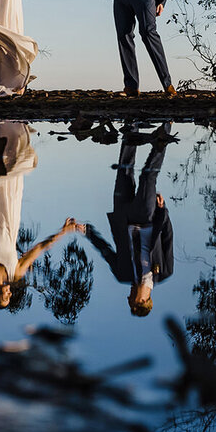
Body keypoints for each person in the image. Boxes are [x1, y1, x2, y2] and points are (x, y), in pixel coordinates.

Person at [0, 121, 85, 309]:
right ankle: (14, 127)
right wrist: (64, 231)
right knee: (14, 167)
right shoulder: (16, 273)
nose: (9, 292)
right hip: (10, 211)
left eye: (5, 297)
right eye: (9, 296)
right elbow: (37, 250)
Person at [84, 125, 175, 316]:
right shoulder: (164, 273)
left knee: (124, 170)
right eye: (131, 300)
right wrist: (163, 211)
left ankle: (131, 125)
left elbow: (106, 252)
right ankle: (163, 133)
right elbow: (167, 239)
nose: (128, 297)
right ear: (142, 300)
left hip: (123, 216)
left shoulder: (122, 275)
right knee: (148, 177)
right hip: (147, 216)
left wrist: (87, 231)